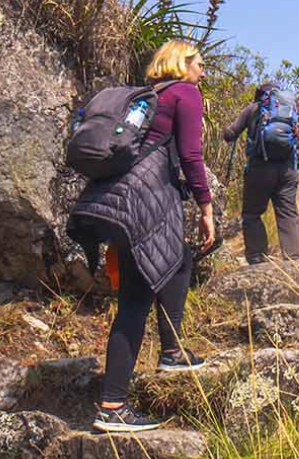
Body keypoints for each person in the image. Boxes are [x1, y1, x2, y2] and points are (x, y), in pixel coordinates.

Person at [67, 39, 216, 434]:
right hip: (143, 202)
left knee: (178, 261)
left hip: (116, 198)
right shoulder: (185, 92)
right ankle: (113, 405)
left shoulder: (151, 96)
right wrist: (206, 207)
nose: (203, 70)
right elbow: (190, 155)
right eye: (199, 63)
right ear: (182, 64)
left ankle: (172, 351)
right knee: (135, 298)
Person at [222, 82, 299, 264]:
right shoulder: (291, 112)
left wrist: (227, 129)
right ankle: (295, 259)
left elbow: (230, 134)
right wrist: (294, 164)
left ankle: (257, 259)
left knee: (252, 214)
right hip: (287, 171)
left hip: (259, 169)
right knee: (288, 214)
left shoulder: (254, 108)